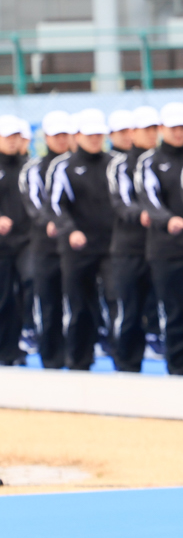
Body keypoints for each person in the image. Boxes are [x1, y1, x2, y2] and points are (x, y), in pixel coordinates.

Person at [47, 110, 117, 370]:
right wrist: (70, 230)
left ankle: (123, 362)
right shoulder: (62, 166)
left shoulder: (114, 163)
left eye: (99, 134)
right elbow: (55, 204)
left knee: (116, 301)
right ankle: (79, 361)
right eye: (90, 135)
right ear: (77, 136)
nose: (95, 139)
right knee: (79, 308)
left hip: (111, 247)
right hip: (77, 249)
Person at [137, 103, 183, 376]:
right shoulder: (149, 161)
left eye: (182, 128)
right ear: (163, 129)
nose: (178, 133)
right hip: (166, 250)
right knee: (175, 313)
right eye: (173, 128)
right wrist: (167, 219)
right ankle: (179, 368)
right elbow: (149, 199)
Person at [105, 112, 153, 373]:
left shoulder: (161, 162)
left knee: (169, 310)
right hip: (128, 249)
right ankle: (126, 365)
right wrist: (146, 214)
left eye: (154, 129)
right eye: (145, 130)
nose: (151, 134)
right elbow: (122, 202)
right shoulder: (120, 165)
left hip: (162, 247)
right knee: (129, 311)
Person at [24, 111, 71, 368]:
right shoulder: (35, 168)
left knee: (78, 304)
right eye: (56, 135)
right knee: (49, 305)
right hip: (46, 247)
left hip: (76, 248)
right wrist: (52, 223)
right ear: (46, 137)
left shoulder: (76, 165)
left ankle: (77, 355)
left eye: (65, 134)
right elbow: (34, 203)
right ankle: (51, 357)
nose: (62, 140)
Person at [0, 115, 30, 363]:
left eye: (15, 136)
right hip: (1, 246)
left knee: (27, 290)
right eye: (7, 136)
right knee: (3, 298)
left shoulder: (27, 166)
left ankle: (15, 348)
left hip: (26, 241)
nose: (12, 141)